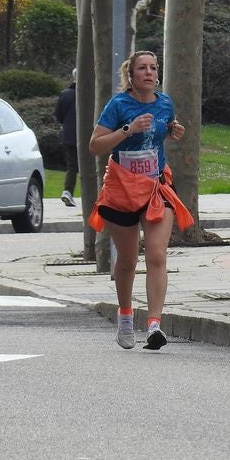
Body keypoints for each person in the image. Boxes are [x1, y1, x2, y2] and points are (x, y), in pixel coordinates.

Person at [88, 50, 191, 351]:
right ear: (130, 75)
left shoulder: (165, 103)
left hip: (155, 187)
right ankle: (125, 316)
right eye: (142, 68)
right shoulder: (119, 105)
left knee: (157, 254)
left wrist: (173, 131)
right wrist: (127, 130)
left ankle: (155, 325)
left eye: (153, 68)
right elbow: (95, 146)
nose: (148, 72)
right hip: (121, 189)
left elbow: (166, 127)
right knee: (129, 260)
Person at [55, 69, 79, 207]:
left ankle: (68, 191)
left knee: (72, 166)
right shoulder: (89, 94)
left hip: (69, 135)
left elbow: (58, 115)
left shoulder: (65, 95)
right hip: (88, 136)